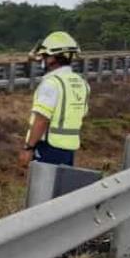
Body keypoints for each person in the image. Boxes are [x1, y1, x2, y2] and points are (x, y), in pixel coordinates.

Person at [20, 31, 89, 168]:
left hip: (47, 148)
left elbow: (42, 119)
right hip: (69, 148)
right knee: (61, 187)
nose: (42, 60)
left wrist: (28, 148)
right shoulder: (81, 83)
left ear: (52, 58)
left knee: (43, 188)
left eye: (45, 56)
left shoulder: (52, 83)